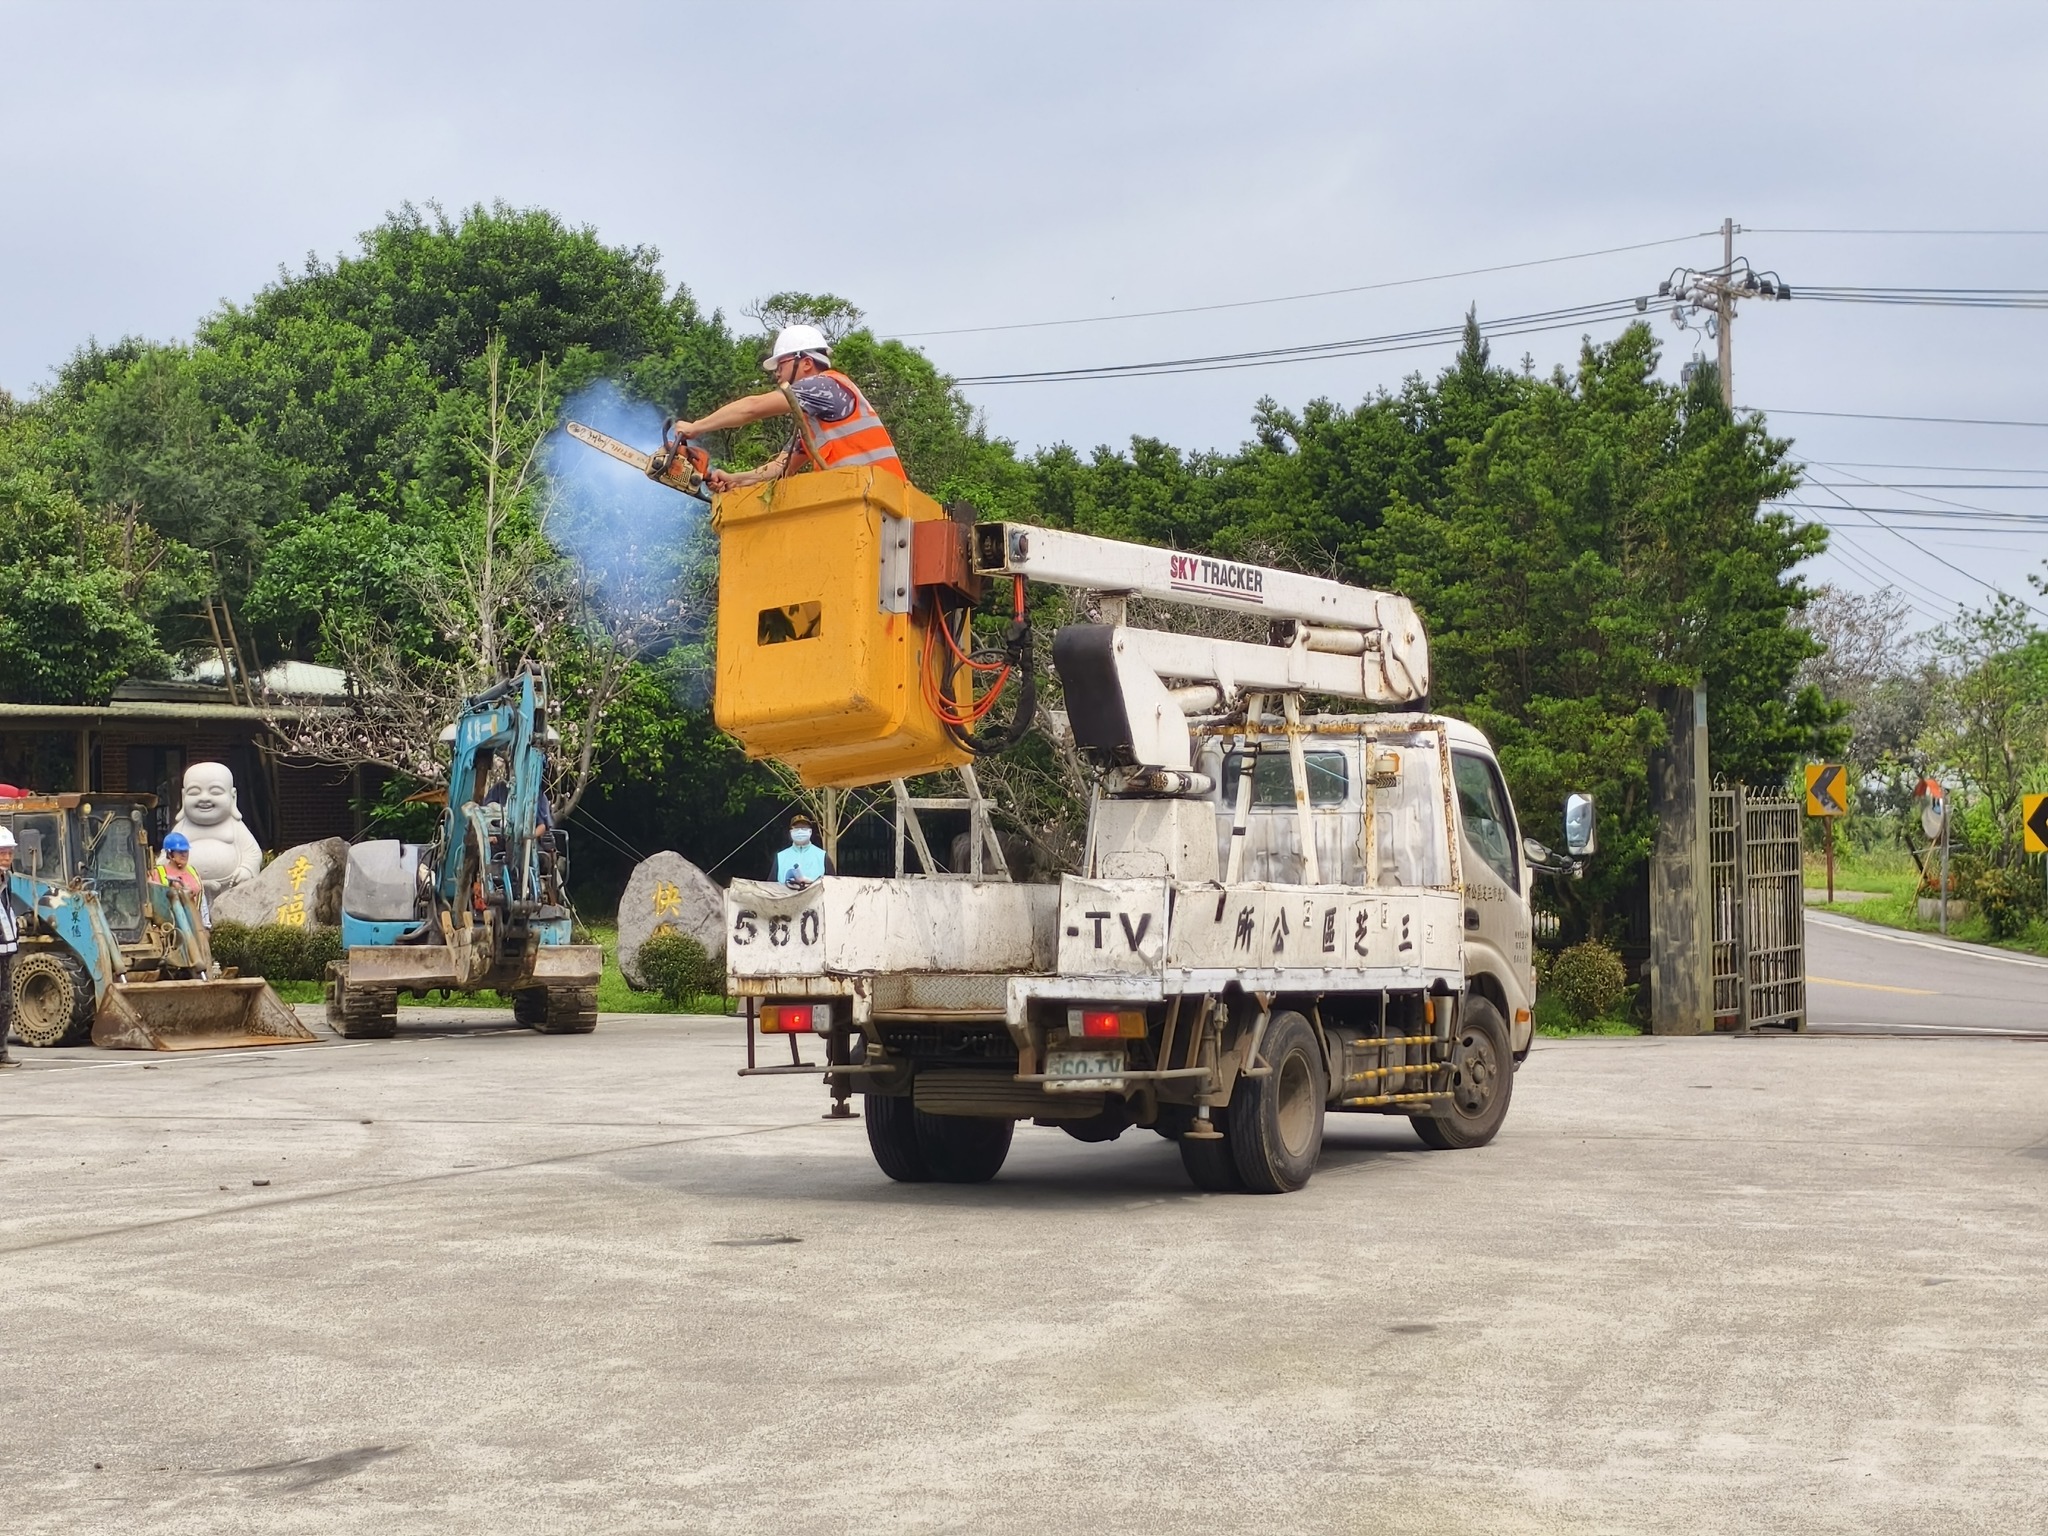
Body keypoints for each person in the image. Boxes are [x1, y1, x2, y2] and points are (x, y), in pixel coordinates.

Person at [671, 324, 905, 492]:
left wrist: (696, 427)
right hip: (867, 498)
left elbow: (752, 408)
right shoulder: (813, 424)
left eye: (781, 365)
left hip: (882, 500)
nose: (777, 373)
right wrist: (735, 480)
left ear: (806, 363)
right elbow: (779, 468)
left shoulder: (825, 386)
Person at [153, 831, 212, 930]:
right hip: (171, 927)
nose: (184, 855)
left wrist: (206, 924)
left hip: (195, 925)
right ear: (170, 854)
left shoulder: (192, 870)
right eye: (180, 852)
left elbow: (201, 898)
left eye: (186, 851)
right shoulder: (158, 872)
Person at [776, 814, 833, 889]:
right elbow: (770, 887)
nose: (800, 831)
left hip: (815, 895)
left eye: (804, 828)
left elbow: (833, 885)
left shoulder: (822, 856)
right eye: (796, 828)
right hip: (785, 896)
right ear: (790, 832)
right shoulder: (780, 857)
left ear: (810, 831)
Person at [0, 827, 18, 1066]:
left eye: (9, 853)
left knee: (5, 1003)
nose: (6, 857)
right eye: (2, 853)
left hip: (5, 953)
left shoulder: (7, 880)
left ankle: (1, 1052)